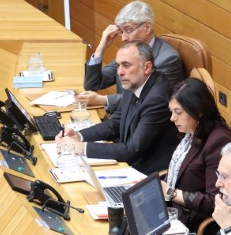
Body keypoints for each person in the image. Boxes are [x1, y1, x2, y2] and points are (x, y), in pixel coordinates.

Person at [56, 41, 179, 174]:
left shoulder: (157, 98)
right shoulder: (135, 83)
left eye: (126, 65)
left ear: (147, 67)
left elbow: (132, 150)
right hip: (131, 162)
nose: (120, 72)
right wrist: (79, 136)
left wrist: (81, 147)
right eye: (118, 66)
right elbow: (115, 124)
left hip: (149, 171)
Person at [79, 0, 184, 114]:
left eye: (128, 30)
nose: (123, 38)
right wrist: (101, 49)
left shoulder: (168, 59)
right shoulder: (130, 51)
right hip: (119, 118)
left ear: (147, 27)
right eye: (121, 31)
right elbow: (92, 84)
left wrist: (104, 100)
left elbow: (150, 99)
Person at [160, 78, 231, 232]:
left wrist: (171, 193)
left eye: (178, 112)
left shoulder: (218, 141)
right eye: (171, 111)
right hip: (172, 211)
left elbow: (214, 201)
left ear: (199, 111)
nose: (172, 118)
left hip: (190, 223)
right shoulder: (191, 133)